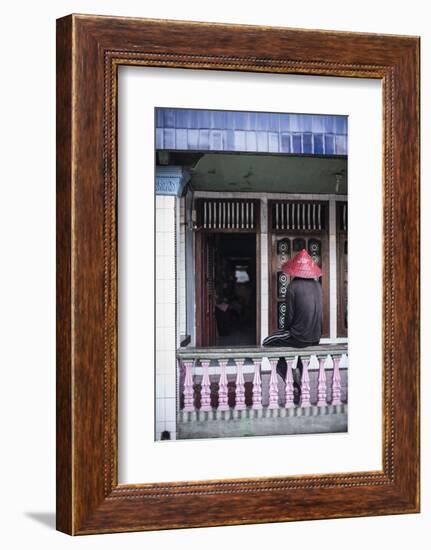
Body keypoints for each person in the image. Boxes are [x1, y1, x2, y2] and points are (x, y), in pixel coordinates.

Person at [262, 249, 323, 348]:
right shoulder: (318, 286)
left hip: (299, 337)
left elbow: (289, 316)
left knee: (267, 341)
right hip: (316, 338)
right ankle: (297, 364)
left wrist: (286, 331)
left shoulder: (293, 286)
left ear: (295, 269)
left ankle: (282, 364)